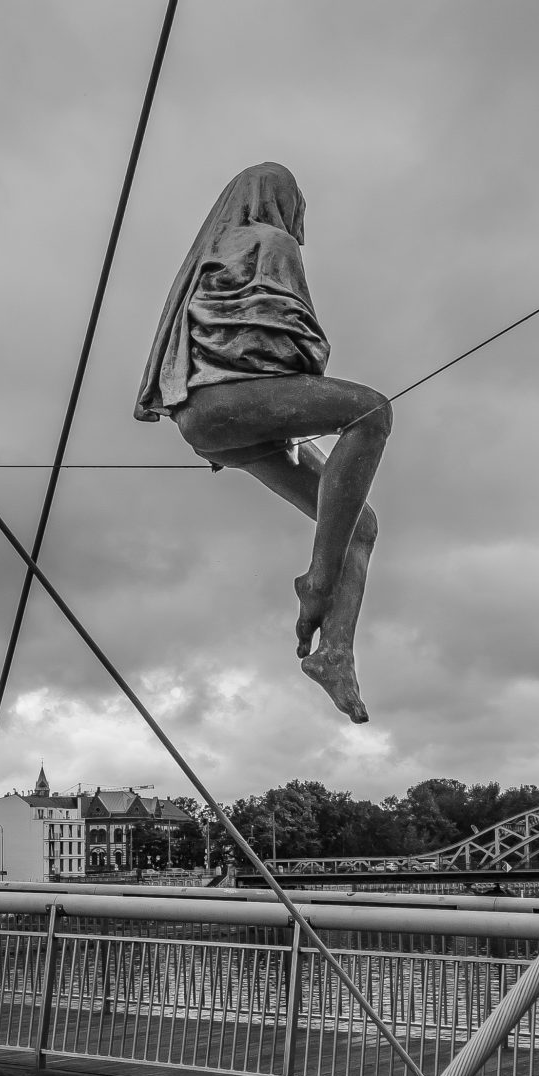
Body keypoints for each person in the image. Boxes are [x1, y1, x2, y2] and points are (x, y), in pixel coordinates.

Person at [136, 162, 390, 723]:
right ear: (284, 200)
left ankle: (335, 654)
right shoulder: (269, 241)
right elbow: (283, 336)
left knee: (359, 524)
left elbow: (234, 332)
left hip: (211, 424)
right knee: (370, 411)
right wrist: (307, 387)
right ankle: (318, 581)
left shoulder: (216, 249)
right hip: (233, 404)